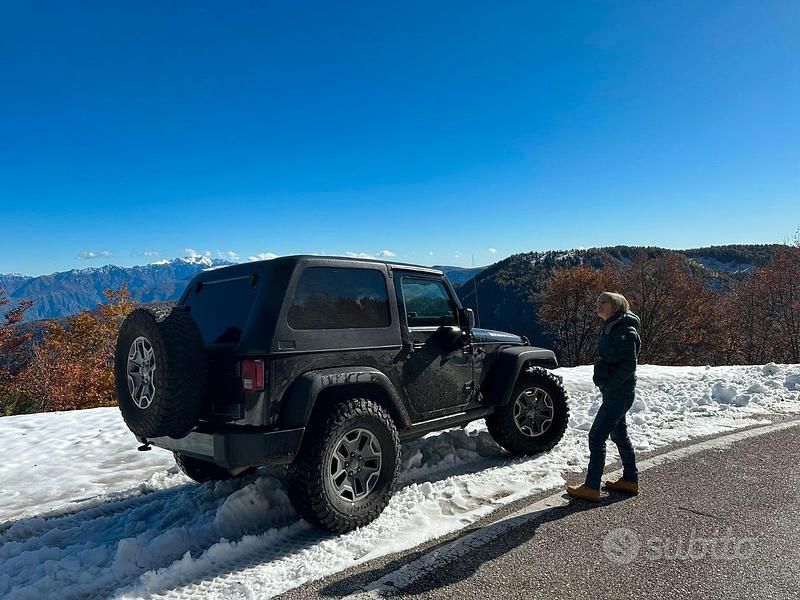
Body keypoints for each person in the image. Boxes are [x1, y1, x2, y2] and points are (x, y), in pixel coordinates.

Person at [567, 291, 641, 501]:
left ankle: (591, 487)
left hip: (619, 393)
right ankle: (630, 480)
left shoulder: (624, 330)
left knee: (596, 436)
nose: (598, 305)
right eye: (598, 301)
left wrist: (609, 382)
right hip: (616, 393)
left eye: (604, 302)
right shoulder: (614, 326)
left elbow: (629, 365)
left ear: (616, 305)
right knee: (619, 435)